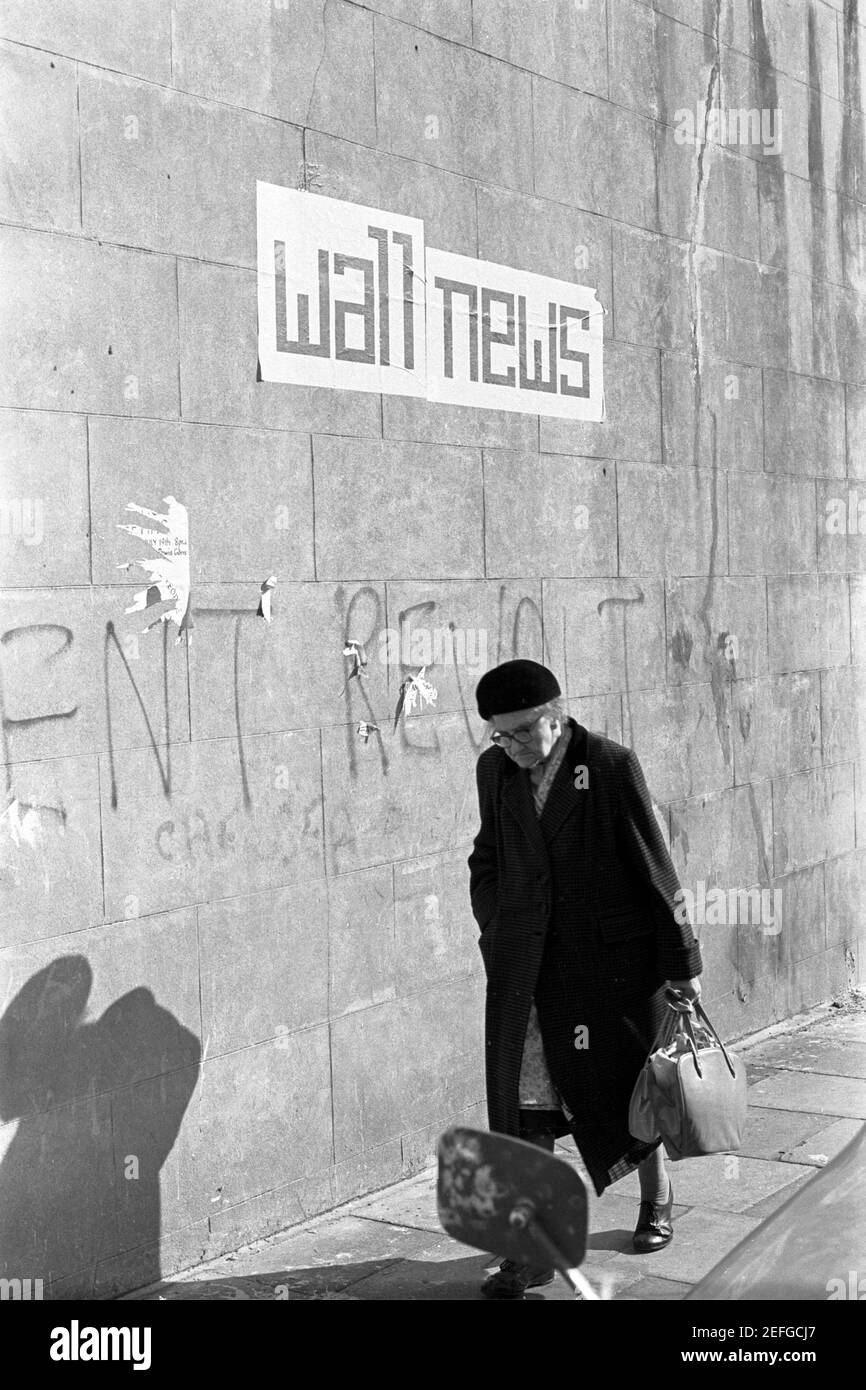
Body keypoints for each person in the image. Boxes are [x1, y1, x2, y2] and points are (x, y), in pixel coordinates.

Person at [467, 659, 702, 1299]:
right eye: (497, 734)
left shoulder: (610, 766)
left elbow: (658, 870)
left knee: (632, 1092)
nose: (507, 746)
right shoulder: (494, 773)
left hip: (611, 972)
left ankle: (657, 1200)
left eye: (518, 732)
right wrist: (495, 919)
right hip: (526, 973)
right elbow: (486, 856)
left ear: (555, 717)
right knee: (527, 1104)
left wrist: (683, 965)